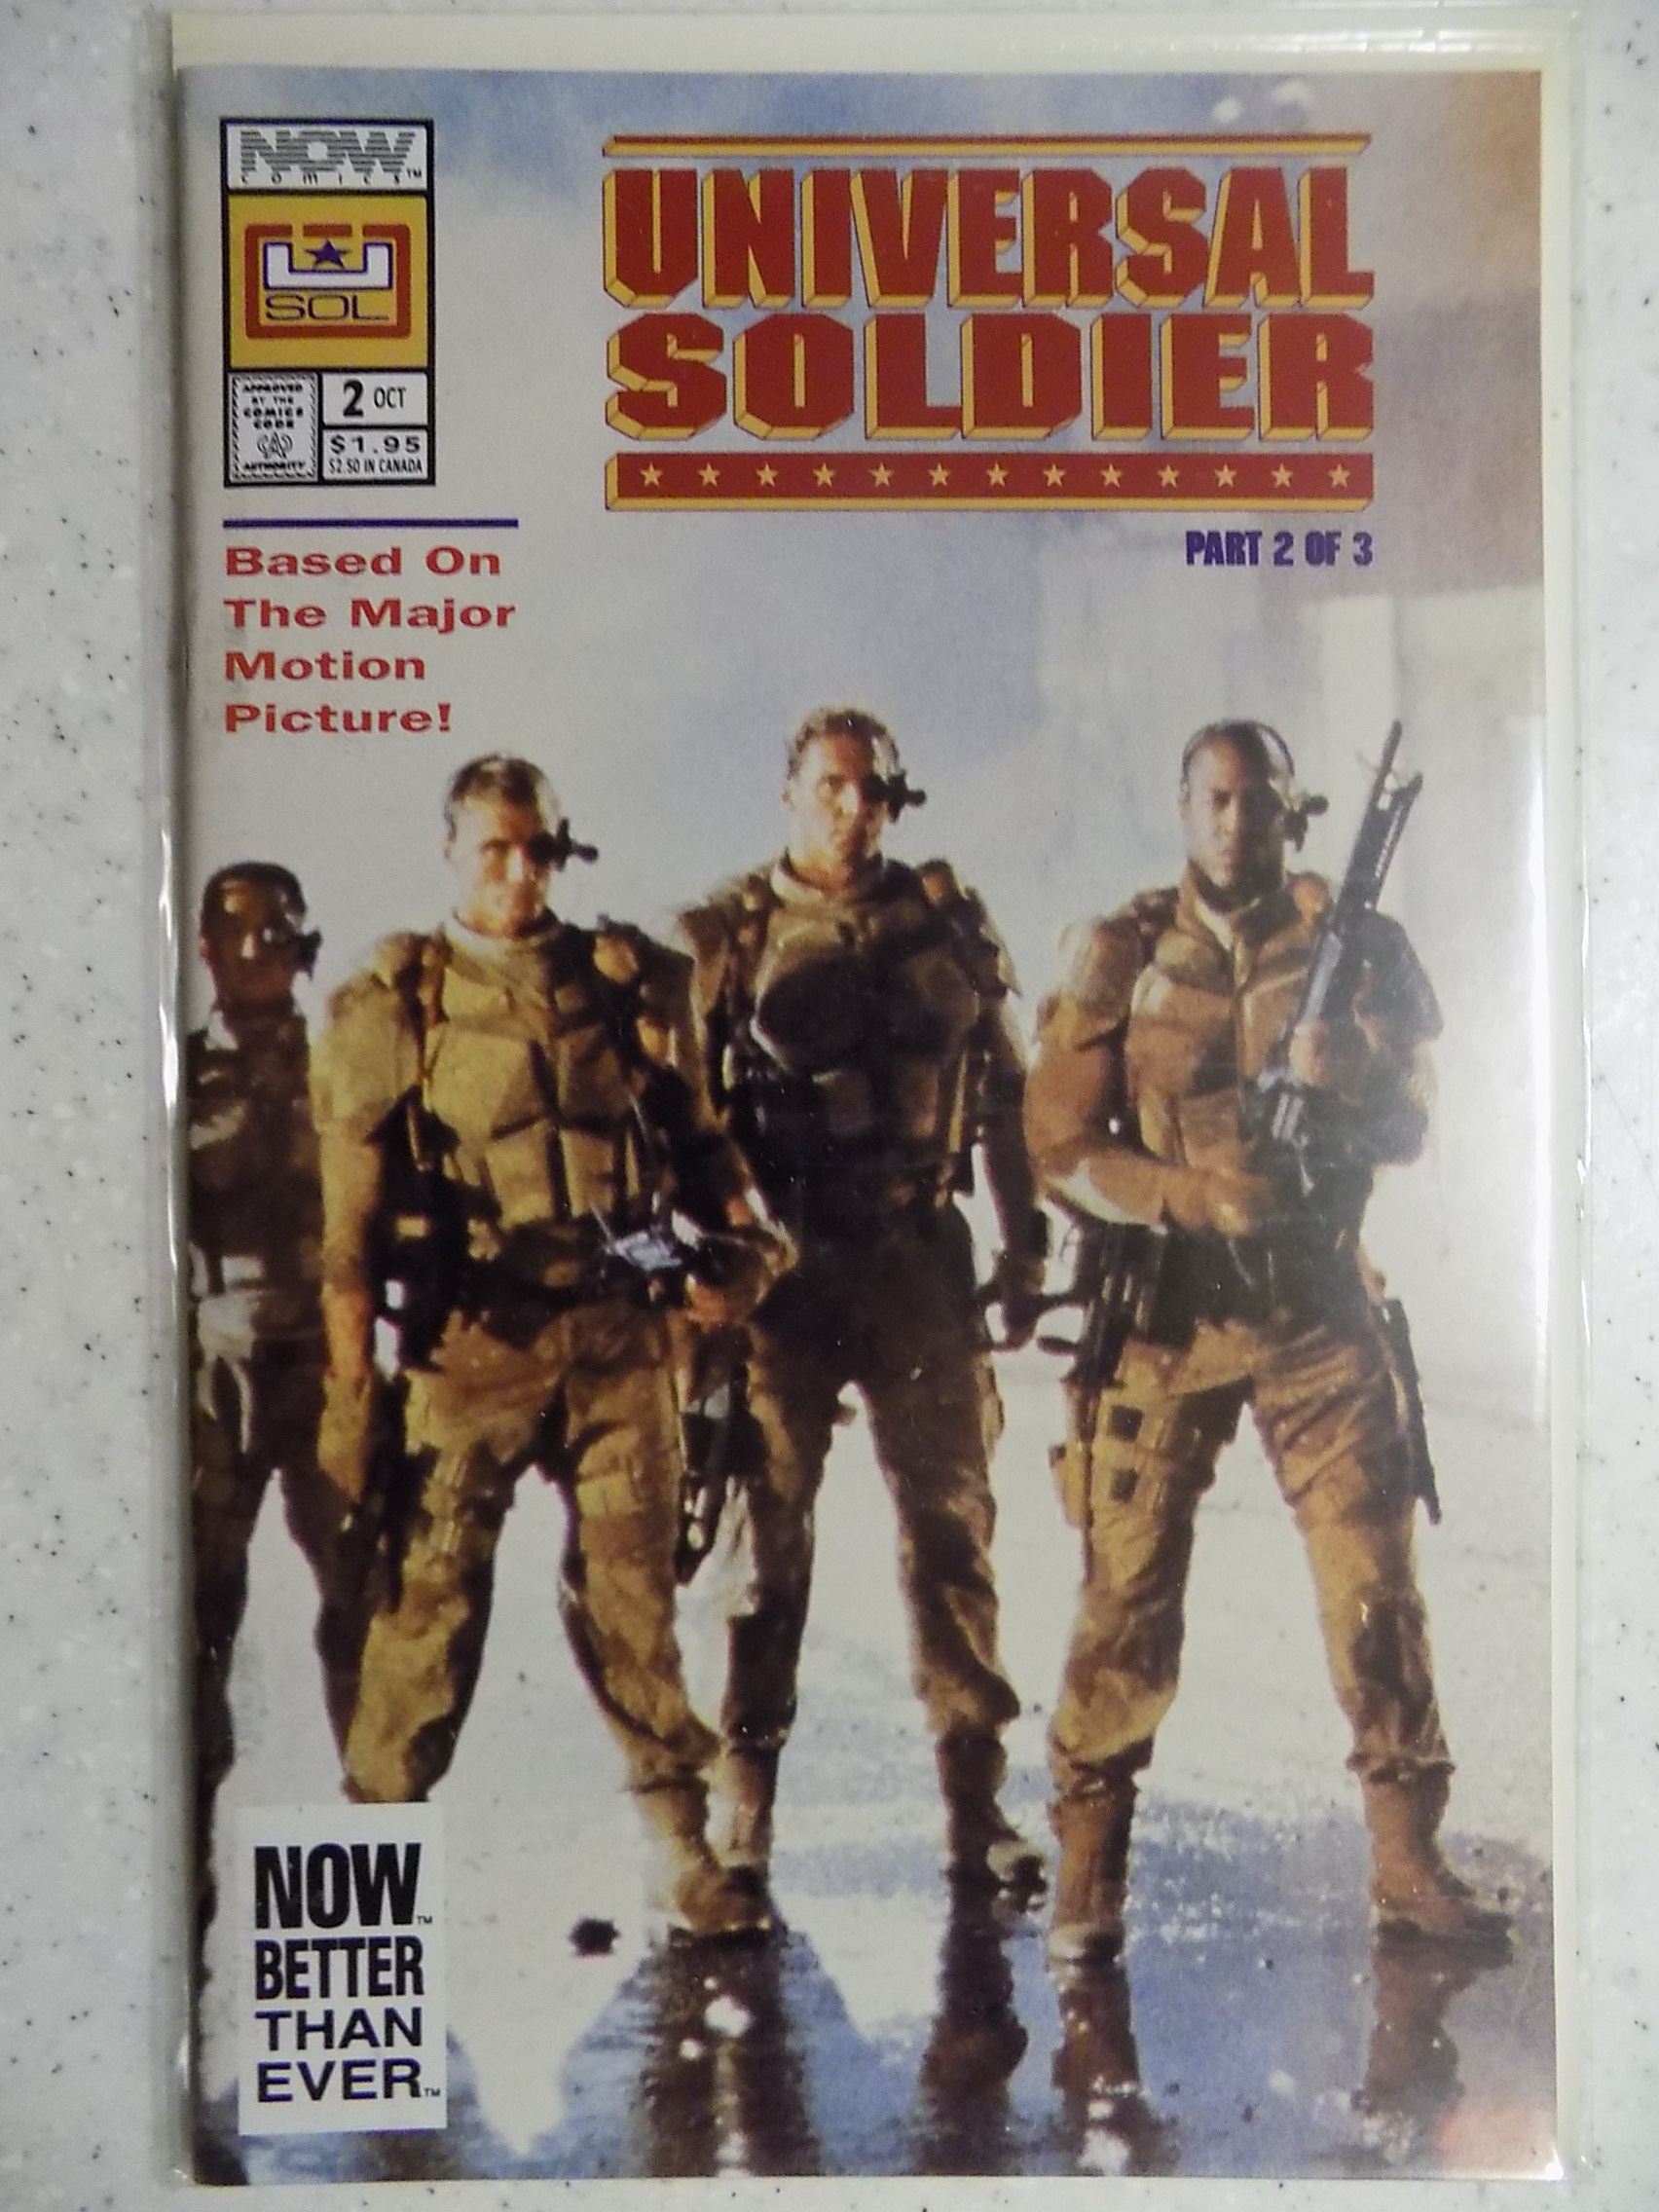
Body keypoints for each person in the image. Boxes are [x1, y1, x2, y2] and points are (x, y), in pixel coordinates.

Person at [1024, 719, 1510, 1961]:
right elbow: (1057, 1143)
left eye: (1261, 801)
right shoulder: (1123, 952)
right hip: (1167, 1314)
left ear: (1295, 814)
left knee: (1374, 1590)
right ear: (1186, 807)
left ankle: (1406, 1858)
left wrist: (1358, 1077)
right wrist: (1187, 1196)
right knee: (1126, 1598)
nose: (1238, 822)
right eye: (1218, 798)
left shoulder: (1356, 947)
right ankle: (1088, 1874)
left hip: (1315, 1307)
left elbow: (1416, 1123)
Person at [310, 755, 790, 1939]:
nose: (521, 872)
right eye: (496, 849)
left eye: (541, 849)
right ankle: (366, 1883)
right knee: (425, 1611)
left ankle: (680, 1850)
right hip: (471, 1341)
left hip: (620, 1334)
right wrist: (350, 1399)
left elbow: (702, 1142)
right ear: (453, 851)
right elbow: (346, 1239)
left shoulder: (627, 985)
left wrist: (750, 1246)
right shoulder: (398, 1002)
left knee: (637, 1600)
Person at [675, 707, 1049, 1900]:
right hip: (782, 1272)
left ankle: (976, 1803)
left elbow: (1006, 1095)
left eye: (873, 790)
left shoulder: (944, 921)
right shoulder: (729, 937)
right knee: (766, 1545)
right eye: (831, 787)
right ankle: (744, 1806)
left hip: (917, 1258)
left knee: (952, 1532)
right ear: (790, 791)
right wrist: (704, 1279)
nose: (853, 809)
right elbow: (676, 1119)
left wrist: (1027, 1243)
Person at [188, 864, 361, 1941]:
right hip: (212, 1366)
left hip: (331, 1357)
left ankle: (379, 1852)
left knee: (366, 1605)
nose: (256, 947)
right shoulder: (169, 1069)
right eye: (236, 929)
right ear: (205, 945)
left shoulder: (347, 1060)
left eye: (277, 929)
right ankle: (184, 1871)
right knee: (198, 1619)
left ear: (304, 944)